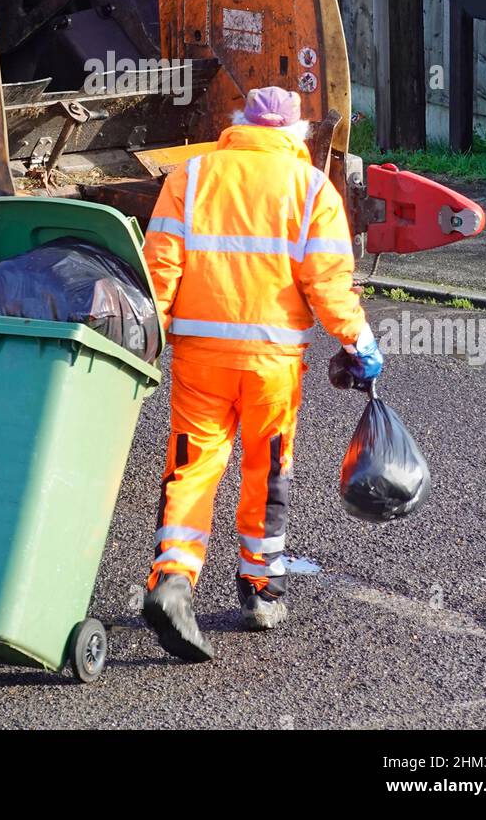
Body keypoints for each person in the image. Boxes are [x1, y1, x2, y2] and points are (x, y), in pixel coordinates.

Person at [140, 86, 383, 662]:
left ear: (239, 124)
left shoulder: (191, 176)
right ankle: (260, 590)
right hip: (272, 362)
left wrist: (149, 336)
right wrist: (361, 343)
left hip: (199, 357)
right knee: (266, 467)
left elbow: (160, 270)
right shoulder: (312, 189)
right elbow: (329, 286)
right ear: (296, 133)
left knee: (192, 466)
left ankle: (172, 579)